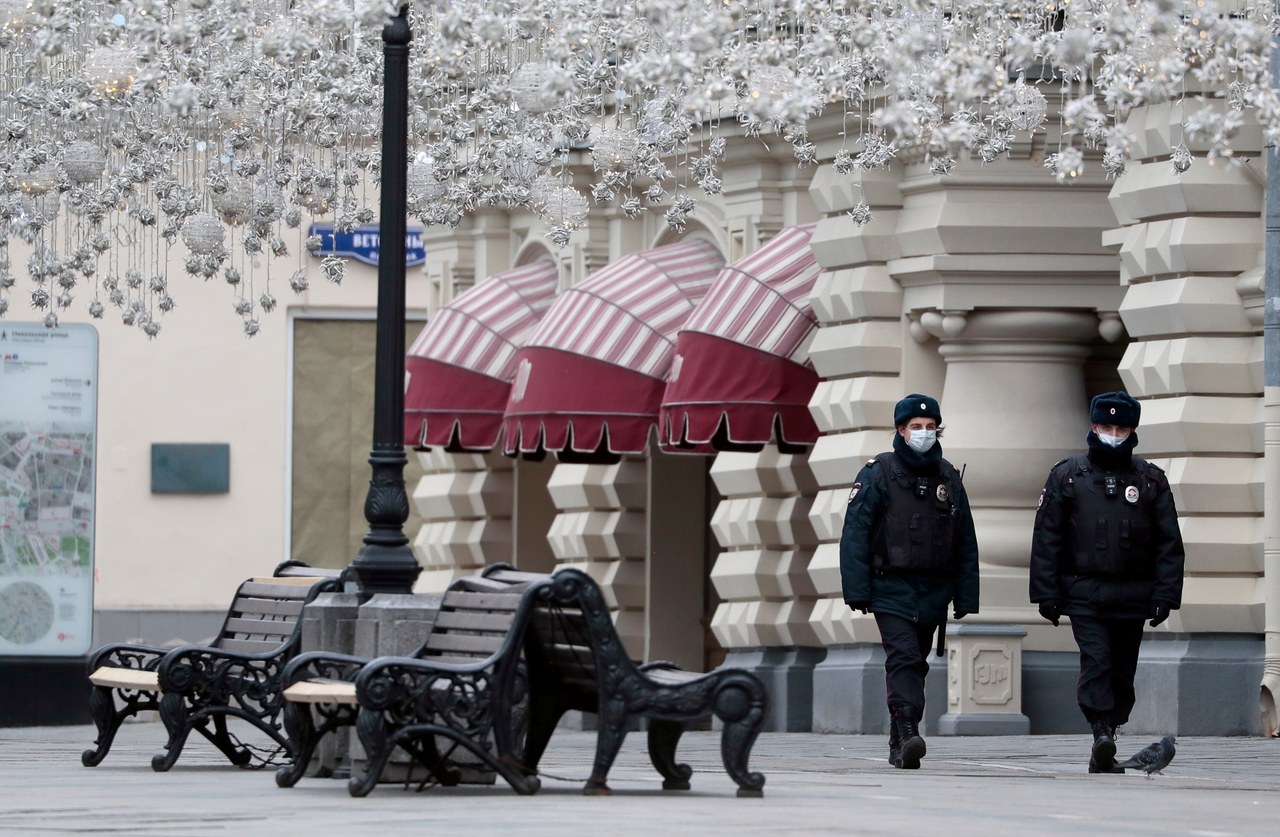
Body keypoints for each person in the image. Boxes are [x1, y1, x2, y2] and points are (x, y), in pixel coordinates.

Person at [1029, 391, 1185, 774]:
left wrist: (1166, 593)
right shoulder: (1067, 475)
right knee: (1097, 661)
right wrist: (1046, 593)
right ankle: (1101, 732)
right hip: (1085, 592)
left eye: (1120, 428)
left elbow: (1169, 542)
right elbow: (1047, 538)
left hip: (1133, 594)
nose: (1112, 434)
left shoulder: (1150, 480)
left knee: (1122, 671)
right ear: (1093, 427)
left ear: (1131, 430)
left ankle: (1109, 732)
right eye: (1105, 426)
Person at [840, 394, 980, 769]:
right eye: (915, 428)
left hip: (933, 589)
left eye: (930, 427)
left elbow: (965, 538)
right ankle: (909, 726)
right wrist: (856, 588)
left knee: (915, 662)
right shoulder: (878, 473)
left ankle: (899, 739)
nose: (923, 434)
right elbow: (856, 532)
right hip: (890, 587)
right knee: (903, 657)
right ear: (900, 431)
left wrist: (966, 594)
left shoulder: (948, 476)